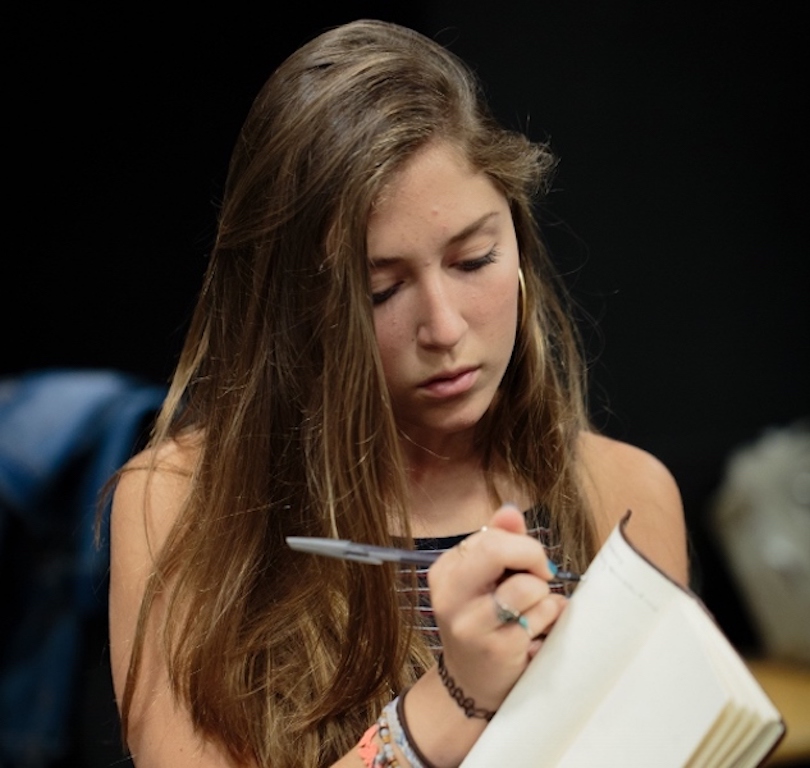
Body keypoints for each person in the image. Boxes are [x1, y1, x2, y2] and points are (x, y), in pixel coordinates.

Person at [107, 18, 688, 768]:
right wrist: (448, 707)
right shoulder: (181, 506)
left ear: (517, 241)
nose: (443, 329)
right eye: (380, 291)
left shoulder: (625, 493)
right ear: (298, 309)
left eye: (474, 258)